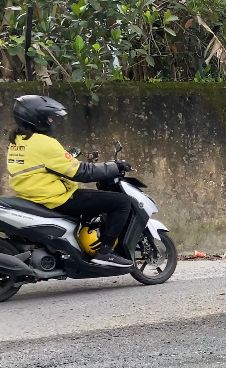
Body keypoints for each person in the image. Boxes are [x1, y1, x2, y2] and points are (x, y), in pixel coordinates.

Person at [6, 95, 133, 267]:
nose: (52, 121)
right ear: (37, 118)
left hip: (31, 195)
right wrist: (114, 167)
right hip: (55, 199)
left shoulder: (16, 141)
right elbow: (81, 172)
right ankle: (105, 253)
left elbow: (46, 166)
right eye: (49, 118)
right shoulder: (44, 143)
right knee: (121, 202)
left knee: (92, 207)